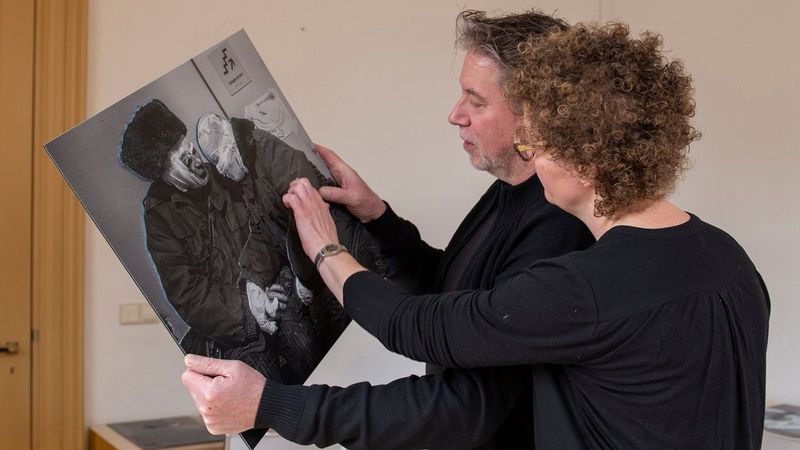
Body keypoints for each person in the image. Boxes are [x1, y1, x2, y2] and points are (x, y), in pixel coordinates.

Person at [278, 22, 770, 448]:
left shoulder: (581, 287)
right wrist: (376, 218)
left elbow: (419, 327)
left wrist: (326, 250)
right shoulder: (729, 257)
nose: (529, 154)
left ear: (587, 163)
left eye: (539, 143)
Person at [182, 10, 595, 450]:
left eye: (476, 102)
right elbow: (456, 302)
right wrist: (377, 217)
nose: (455, 115)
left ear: (534, 114)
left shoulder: (558, 226)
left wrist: (274, 404)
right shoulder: (513, 188)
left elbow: (463, 408)